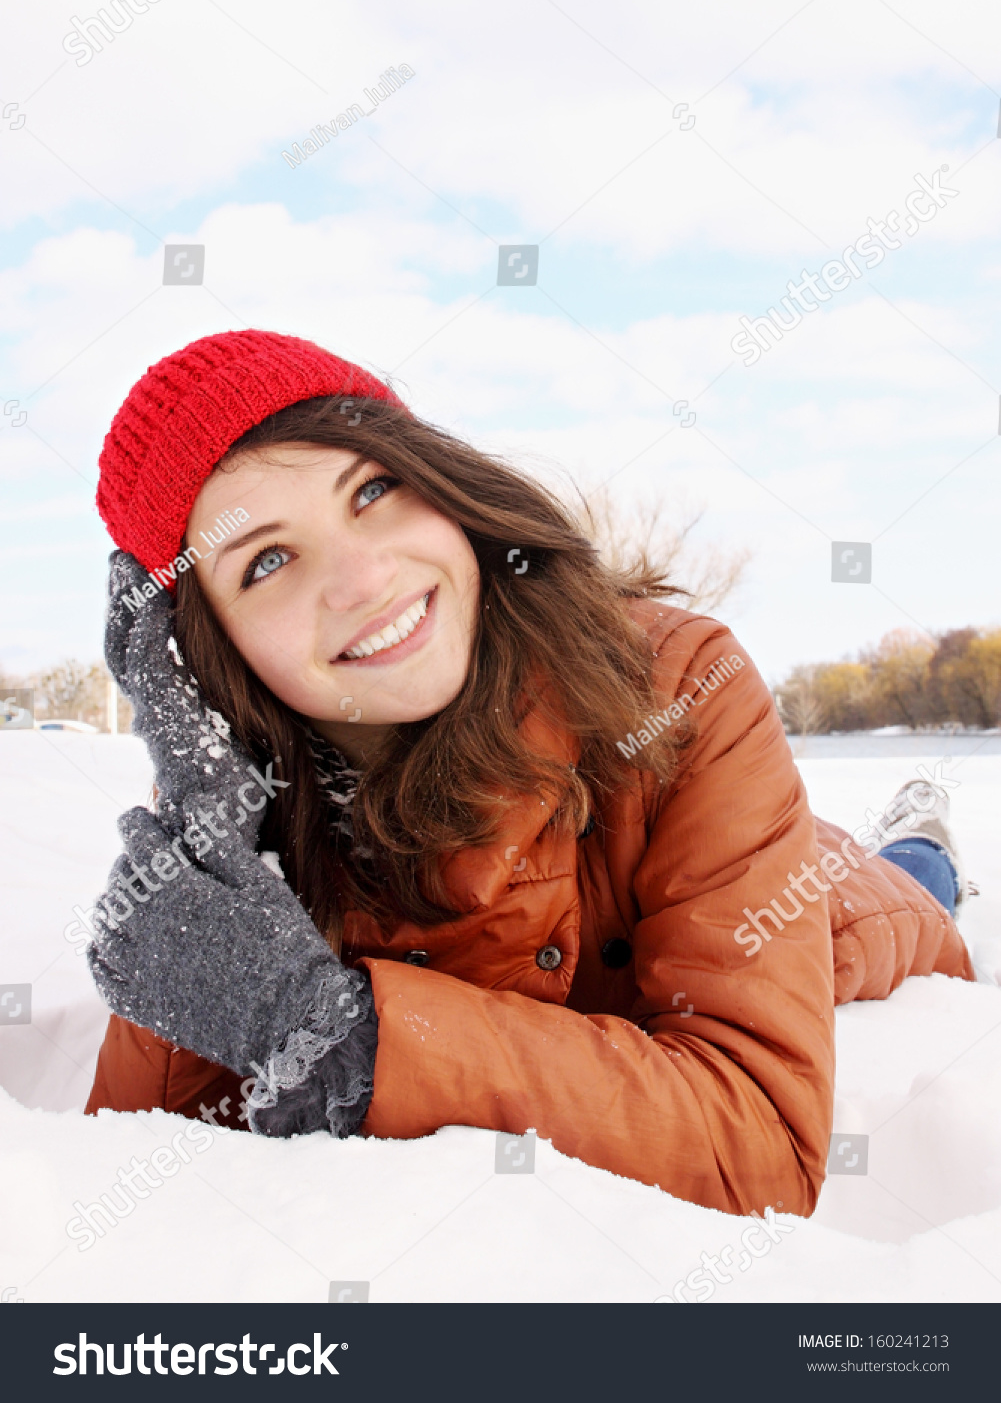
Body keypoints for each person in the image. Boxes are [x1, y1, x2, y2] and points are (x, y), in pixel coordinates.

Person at [84, 328, 974, 1218]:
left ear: (438, 482)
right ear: (204, 651)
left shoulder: (680, 683)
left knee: (894, 892)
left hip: (819, 900)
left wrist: (353, 1042)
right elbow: (152, 1188)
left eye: (372, 490)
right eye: (267, 560)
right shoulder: (229, 801)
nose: (366, 579)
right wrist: (207, 831)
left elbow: (762, 1150)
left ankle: (917, 840)